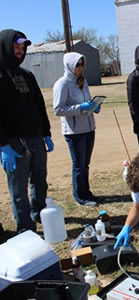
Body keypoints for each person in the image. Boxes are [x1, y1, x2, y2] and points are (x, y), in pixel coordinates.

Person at [0, 29, 53, 232]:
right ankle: (26, 228)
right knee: (19, 189)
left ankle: (40, 213)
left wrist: (46, 132)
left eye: (23, 47)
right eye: (16, 46)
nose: (20, 50)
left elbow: (39, 106)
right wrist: (3, 145)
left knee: (40, 182)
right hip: (13, 143)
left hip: (36, 138)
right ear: (5, 47)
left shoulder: (28, 75)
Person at [53, 52, 101, 207]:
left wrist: (93, 106)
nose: (80, 67)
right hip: (74, 131)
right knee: (78, 165)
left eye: (82, 64)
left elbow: (86, 101)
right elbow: (58, 109)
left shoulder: (83, 81)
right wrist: (80, 108)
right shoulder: (62, 84)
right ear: (70, 66)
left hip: (88, 127)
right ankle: (80, 196)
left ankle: (87, 192)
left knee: (85, 164)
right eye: (77, 64)